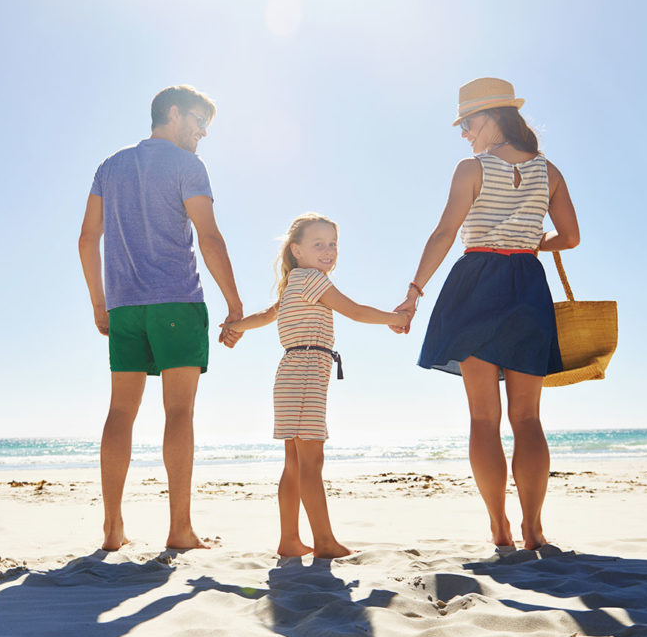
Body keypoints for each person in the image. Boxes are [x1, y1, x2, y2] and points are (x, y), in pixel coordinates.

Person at [394, 78, 580, 550]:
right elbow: (571, 237)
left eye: (468, 122)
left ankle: (499, 528)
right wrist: (531, 243)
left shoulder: (471, 168)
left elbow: (444, 233)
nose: (464, 133)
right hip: (527, 286)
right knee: (529, 420)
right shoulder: (549, 171)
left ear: (495, 117)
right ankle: (534, 529)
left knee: (483, 419)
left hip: (476, 283)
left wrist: (414, 290)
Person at [78, 85, 244, 551]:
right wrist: (234, 302)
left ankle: (112, 529)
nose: (203, 133)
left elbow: (87, 239)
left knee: (120, 412)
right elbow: (209, 238)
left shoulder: (109, 167)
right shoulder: (187, 165)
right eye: (198, 121)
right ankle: (179, 530)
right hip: (176, 301)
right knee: (179, 411)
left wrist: (99, 302)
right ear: (173, 114)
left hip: (125, 307)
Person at [221, 213, 411, 558]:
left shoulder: (294, 282)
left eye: (333, 244)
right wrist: (394, 319)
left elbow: (265, 317)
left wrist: (234, 328)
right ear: (297, 250)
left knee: (294, 462)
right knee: (311, 461)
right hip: (307, 370)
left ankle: (290, 540)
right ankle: (323, 541)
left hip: (291, 372)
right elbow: (353, 310)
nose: (328, 251)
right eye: (318, 244)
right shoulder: (312, 279)